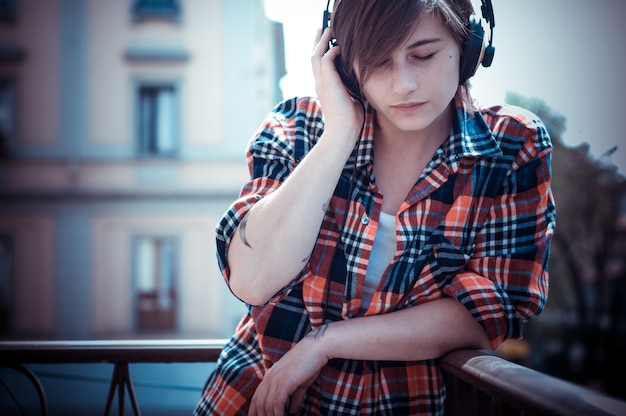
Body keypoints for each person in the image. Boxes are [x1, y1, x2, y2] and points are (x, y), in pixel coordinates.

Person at [194, 0, 555, 414]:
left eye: (424, 55)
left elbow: (487, 312)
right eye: (378, 61)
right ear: (344, 64)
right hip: (251, 400)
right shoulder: (298, 126)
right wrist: (338, 137)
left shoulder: (512, 145)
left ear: (470, 48)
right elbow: (253, 280)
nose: (403, 83)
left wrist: (326, 342)